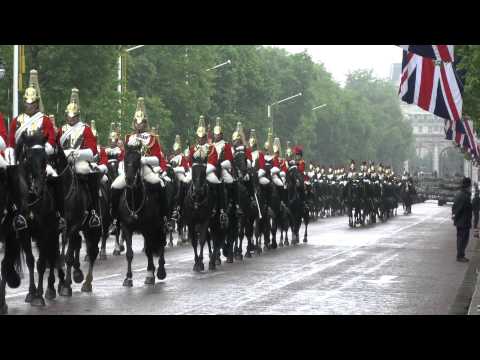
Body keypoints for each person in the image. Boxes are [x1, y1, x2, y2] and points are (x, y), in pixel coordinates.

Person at [6, 70, 64, 230]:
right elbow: (11, 141)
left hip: (41, 159)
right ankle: (11, 214)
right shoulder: (17, 121)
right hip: (22, 159)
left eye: (32, 104)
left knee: (55, 177)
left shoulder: (44, 120)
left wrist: (40, 151)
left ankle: (59, 214)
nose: (29, 106)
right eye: (27, 103)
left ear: (37, 104)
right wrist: (10, 152)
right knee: (8, 180)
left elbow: (51, 140)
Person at [110, 97, 168, 222]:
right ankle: (114, 218)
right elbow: (123, 156)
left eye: (141, 122)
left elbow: (157, 158)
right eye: (136, 122)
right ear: (134, 123)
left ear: (145, 123)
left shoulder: (152, 138)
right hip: (131, 168)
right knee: (114, 186)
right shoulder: (128, 137)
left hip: (145, 168)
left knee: (160, 184)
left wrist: (144, 161)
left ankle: (164, 217)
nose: (138, 125)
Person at [57, 88, 101, 228]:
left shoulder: (85, 129)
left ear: (78, 116)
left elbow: (92, 150)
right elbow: (55, 146)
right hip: (63, 162)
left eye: (73, 116)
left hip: (79, 161)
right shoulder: (61, 129)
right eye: (69, 116)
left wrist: (76, 154)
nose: (71, 119)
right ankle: (55, 212)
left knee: (85, 172)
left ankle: (94, 211)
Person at [452, 177, 473, 262]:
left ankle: (460, 255)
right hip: (463, 221)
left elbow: (454, 208)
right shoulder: (465, 196)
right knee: (463, 239)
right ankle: (460, 256)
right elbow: (460, 209)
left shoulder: (459, 194)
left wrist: (455, 217)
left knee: (460, 238)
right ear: (468, 186)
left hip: (460, 221)